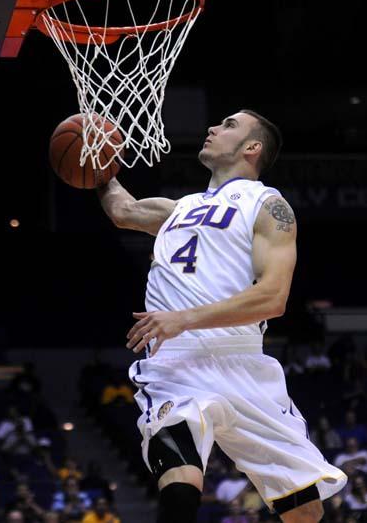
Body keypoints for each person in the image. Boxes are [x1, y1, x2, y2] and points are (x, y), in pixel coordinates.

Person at [97, 110, 346, 523]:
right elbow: (123, 211)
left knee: (304, 510)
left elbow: (272, 297)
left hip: (242, 361)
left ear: (253, 148)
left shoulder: (269, 205)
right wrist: (101, 169)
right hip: (176, 358)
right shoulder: (180, 208)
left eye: (229, 124)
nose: (212, 128)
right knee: (179, 476)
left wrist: (184, 318)